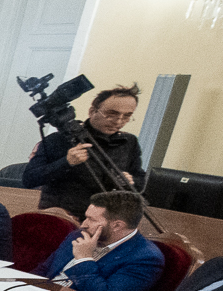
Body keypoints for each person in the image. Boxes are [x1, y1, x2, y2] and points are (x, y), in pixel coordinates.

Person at [23, 85, 148, 219]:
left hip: (106, 219)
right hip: (63, 218)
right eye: (111, 114)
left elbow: (140, 179)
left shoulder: (129, 142)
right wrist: (66, 162)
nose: (119, 121)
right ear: (92, 111)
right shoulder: (58, 140)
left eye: (127, 116)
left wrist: (131, 181)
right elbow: (30, 179)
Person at [37, 191, 164, 291]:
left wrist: (84, 259)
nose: (83, 225)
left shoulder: (145, 258)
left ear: (117, 225)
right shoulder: (80, 235)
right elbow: (44, 270)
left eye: (91, 219)